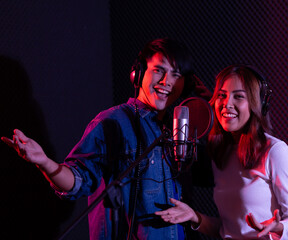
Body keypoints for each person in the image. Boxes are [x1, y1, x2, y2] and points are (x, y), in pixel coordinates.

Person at [1, 38, 204, 240]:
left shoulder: (180, 130)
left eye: (175, 75)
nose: (166, 81)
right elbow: (77, 181)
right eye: (159, 70)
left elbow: (220, 175)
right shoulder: (112, 122)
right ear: (138, 73)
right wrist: (45, 163)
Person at [155, 64, 288, 239]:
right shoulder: (220, 152)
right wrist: (195, 217)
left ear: (256, 103)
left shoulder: (275, 151)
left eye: (238, 97)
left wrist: (278, 227)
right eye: (222, 95)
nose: (227, 104)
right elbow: (228, 230)